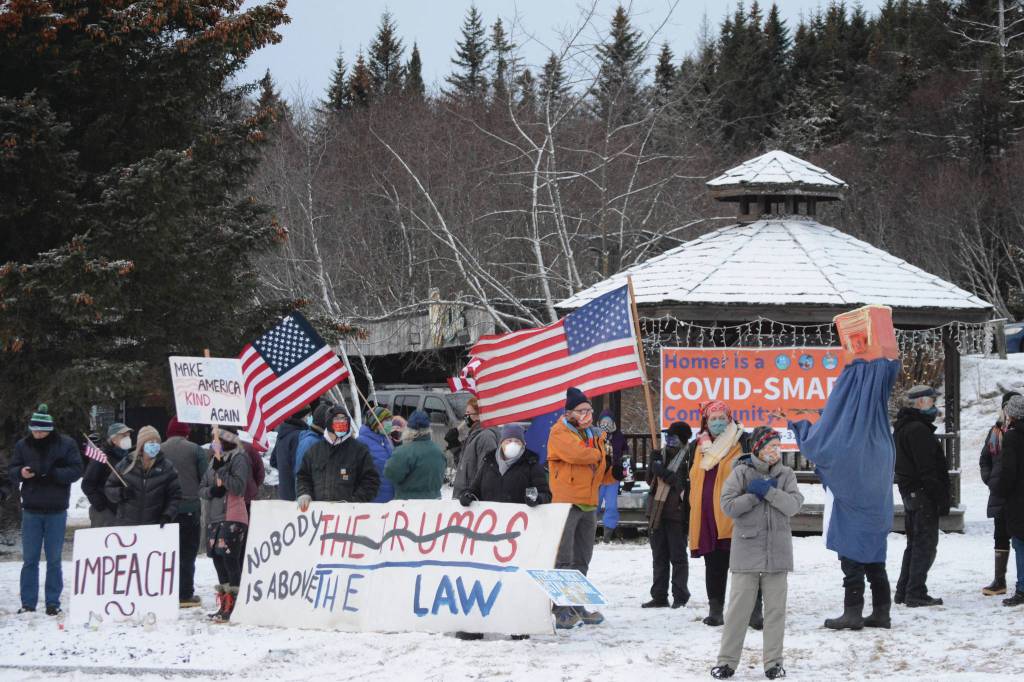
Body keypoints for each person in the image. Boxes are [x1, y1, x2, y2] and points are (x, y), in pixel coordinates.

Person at [711, 427, 803, 680]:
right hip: (746, 551)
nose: (776, 451)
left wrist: (770, 492)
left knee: (775, 612)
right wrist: (753, 495)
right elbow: (728, 506)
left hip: (778, 553)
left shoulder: (786, 474)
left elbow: (793, 505)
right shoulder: (740, 472)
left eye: (778, 446)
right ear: (759, 448)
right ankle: (726, 662)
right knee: (738, 612)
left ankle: (774, 663)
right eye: (771, 446)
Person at [457, 422, 551, 641]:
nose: (512, 444)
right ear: (501, 443)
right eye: (509, 440)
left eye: (517, 441)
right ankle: (476, 624)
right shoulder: (488, 462)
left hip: (517, 535)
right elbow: (475, 488)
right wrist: (467, 496)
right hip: (488, 534)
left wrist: (537, 499)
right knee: (483, 577)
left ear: (523, 444)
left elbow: (546, 495)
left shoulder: (531, 464)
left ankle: (517, 624)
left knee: (514, 579)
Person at [547, 387, 624, 629]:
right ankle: (560, 609)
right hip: (566, 502)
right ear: (569, 412)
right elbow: (578, 455)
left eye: (589, 410)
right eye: (581, 410)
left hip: (589, 502)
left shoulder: (593, 435)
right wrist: (601, 453)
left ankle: (577, 605)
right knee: (564, 559)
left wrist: (614, 470)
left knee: (582, 558)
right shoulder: (559, 432)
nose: (587, 414)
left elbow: (599, 470)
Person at [8, 404, 83, 615]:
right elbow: (12, 470)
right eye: (34, 430)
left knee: (54, 559)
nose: (37, 434)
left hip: (56, 510)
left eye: (41, 431)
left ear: (49, 430)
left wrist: (53, 474)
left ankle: (52, 602)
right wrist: (21, 473)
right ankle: (28, 603)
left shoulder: (66, 444)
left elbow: (76, 470)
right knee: (30, 559)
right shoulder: (23, 445)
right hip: (31, 509)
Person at [686, 401, 752, 627]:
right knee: (713, 565)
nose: (717, 422)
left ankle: (752, 611)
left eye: (721, 418)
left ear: (730, 419)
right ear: (706, 421)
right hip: (707, 517)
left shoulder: (743, 441)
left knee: (746, 567)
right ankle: (715, 610)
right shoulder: (697, 446)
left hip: (735, 516)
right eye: (712, 419)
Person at [893, 384, 950, 607]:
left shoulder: (904, 427)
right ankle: (915, 592)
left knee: (914, 544)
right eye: (931, 401)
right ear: (921, 402)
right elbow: (927, 469)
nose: (934, 405)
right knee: (924, 545)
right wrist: (940, 497)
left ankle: (904, 590)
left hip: (911, 493)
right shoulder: (918, 430)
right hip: (922, 494)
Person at [199, 428, 251, 622]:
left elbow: (239, 486)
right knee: (217, 560)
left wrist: (222, 471)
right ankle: (224, 603)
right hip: (214, 517)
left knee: (230, 559)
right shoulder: (213, 460)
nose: (215, 443)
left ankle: (236, 603)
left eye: (218, 439)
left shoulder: (239, 458)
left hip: (232, 515)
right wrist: (212, 491)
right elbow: (201, 488)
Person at [644, 421, 692, 609]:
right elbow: (650, 480)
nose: (669, 440)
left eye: (673, 437)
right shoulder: (660, 454)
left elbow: (680, 484)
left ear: (683, 439)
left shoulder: (689, 457)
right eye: (668, 437)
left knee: (678, 557)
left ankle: (680, 596)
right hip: (657, 513)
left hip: (677, 514)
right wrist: (653, 464)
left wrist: (663, 472)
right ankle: (659, 596)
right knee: (659, 556)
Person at [161, 417, 208, 607]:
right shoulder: (195, 450)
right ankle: (185, 594)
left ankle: (166, 591)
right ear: (186, 433)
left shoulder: (159, 449)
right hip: (190, 507)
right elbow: (205, 477)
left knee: (168, 553)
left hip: (165, 509)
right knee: (187, 554)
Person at [296, 406, 380, 510]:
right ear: (328, 422)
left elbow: (371, 481)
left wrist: (355, 502)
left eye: (344, 419)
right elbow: (303, 477)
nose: (341, 422)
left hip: (349, 515)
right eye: (337, 419)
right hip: (319, 514)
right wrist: (304, 493)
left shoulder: (359, 450)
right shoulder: (314, 451)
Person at [980, 391, 1021, 596]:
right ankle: (999, 580)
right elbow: (985, 459)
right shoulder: (995, 431)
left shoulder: (1017, 433)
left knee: (1019, 536)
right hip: (999, 491)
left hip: (1017, 492)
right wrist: (990, 480)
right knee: (1000, 534)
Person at [104, 425, 182, 528]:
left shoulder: (167, 467)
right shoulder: (126, 463)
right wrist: (121, 493)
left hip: (153, 527)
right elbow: (109, 488)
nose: (154, 445)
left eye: (157, 442)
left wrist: (167, 515)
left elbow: (175, 496)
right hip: (127, 526)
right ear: (142, 445)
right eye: (151, 442)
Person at [996, 395, 1024, 606]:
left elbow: (1008, 471)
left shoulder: (1012, 437)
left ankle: (1022, 588)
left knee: (1020, 543)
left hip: (1018, 498)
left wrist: (1001, 491)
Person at [385, 410, 446, 500]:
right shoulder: (438, 452)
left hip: (408, 504)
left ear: (409, 430)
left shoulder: (403, 452)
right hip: (434, 503)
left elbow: (390, 474)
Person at [81, 423, 132, 528]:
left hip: (124, 510)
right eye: (124, 436)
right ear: (113, 439)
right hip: (105, 512)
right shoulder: (102, 457)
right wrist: (101, 505)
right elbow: (87, 484)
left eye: (128, 436)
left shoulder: (129, 457)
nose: (128, 439)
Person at [452, 397, 500, 498]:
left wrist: (472, 494)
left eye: (468, 413)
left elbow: (486, 472)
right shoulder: (473, 435)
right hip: (461, 497)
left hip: (471, 499)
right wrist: (454, 445)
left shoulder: (486, 437)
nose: (465, 416)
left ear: (479, 415)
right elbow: (464, 466)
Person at [270, 402, 317, 501]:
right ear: (303, 417)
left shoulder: (283, 433)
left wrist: (284, 471)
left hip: (284, 491)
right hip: (298, 493)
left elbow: (273, 461)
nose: (310, 418)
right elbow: (301, 466)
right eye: (309, 415)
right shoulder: (300, 436)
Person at [596, 411, 625, 542]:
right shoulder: (594, 435)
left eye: (608, 422)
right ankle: (589, 532)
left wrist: (623, 468)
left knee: (611, 506)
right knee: (593, 505)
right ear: (599, 423)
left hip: (613, 475)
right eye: (603, 422)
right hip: (598, 476)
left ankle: (607, 535)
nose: (606, 424)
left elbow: (625, 453)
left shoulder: (619, 436)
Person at [359, 405, 396, 502]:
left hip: (391, 500)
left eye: (390, 420)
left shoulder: (387, 440)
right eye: (386, 420)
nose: (389, 423)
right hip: (374, 500)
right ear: (375, 423)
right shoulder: (361, 442)